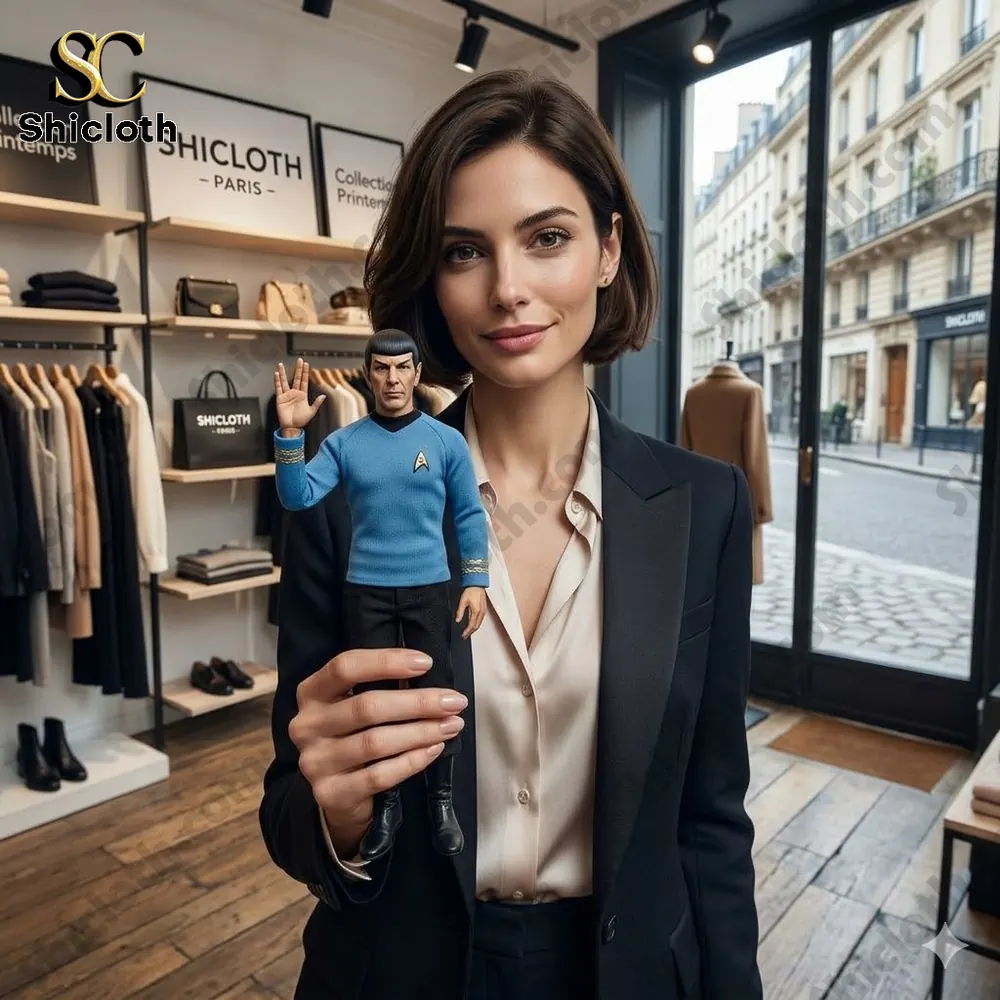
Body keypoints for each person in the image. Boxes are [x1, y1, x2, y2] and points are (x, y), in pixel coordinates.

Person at [259, 67, 762, 1000]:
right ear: (433, 279)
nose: (508, 289)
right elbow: (291, 805)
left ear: (609, 250)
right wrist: (336, 814)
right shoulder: (341, 505)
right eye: (464, 252)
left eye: (547, 238)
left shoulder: (707, 507)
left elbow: (711, 820)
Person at [269, 332, 490, 861]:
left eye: (402, 367)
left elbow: (468, 512)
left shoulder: (445, 442)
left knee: (437, 689)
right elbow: (298, 497)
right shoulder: (345, 443)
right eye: (382, 368)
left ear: (417, 374)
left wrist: (476, 580)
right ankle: (386, 805)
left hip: (429, 587)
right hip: (365, 590)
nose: (392, 379)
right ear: (368, 374)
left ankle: (440, 801)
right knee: (375, 701)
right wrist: (291, 435)